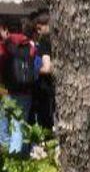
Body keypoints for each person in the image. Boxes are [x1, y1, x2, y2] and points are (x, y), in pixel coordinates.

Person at [0, 17, 39, 151]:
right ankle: (21, 155)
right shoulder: (30, 46)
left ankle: (14, 159)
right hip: (26, 92)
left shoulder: (5, 45)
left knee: (6, 126)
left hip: (9, 92)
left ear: (7, 29)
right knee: (19, 126)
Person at [26, 9, 52, 130]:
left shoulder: (44, 43)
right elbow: (48, 68)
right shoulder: (46, 42)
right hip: (45, 89)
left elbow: (46, 68)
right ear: (39, 28)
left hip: (41, 89)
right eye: (49, 25)